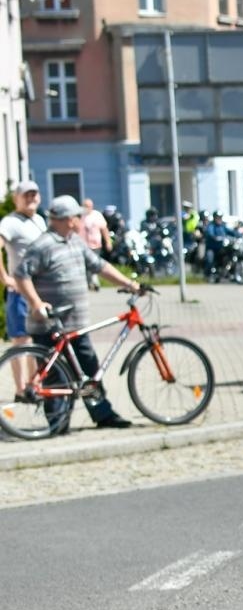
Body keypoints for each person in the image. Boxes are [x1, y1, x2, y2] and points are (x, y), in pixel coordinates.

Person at [11, 196, 143, 429]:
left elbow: (100, 266)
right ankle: (57, 424)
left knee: (90, 372)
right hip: (49, 326)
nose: (80, 220)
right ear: (67, 219)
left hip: (76, 325)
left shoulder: (75, 241)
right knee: (57, 378)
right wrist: (36, 303)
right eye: (76, 216)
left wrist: (129, 284)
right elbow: (21, 275)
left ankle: (103, 415)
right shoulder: (44, 245)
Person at [2, 181, 47, 375]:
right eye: (26, 195)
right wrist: (5, 278)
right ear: (16, 199)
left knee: (36, 342)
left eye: (34, 194)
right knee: (22, 341)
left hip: (39, 290)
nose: (30, 198)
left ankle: (34, 385)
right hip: (20, 292)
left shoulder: (39, 220)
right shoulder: (10, 222)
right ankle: (21, 390)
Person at [202, 211, 239, 281]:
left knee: (230, 255)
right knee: (209, 260)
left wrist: (239, 234)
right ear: (214, 218)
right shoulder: (211, 225)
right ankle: (207, 275)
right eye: (217, 218)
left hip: (221, 248)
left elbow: (231, 232)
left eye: (220, 218)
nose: (219, 219)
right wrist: (214, 237)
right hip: (212, 248)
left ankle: (230, 273)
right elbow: (210, 232)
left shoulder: (223, 226)